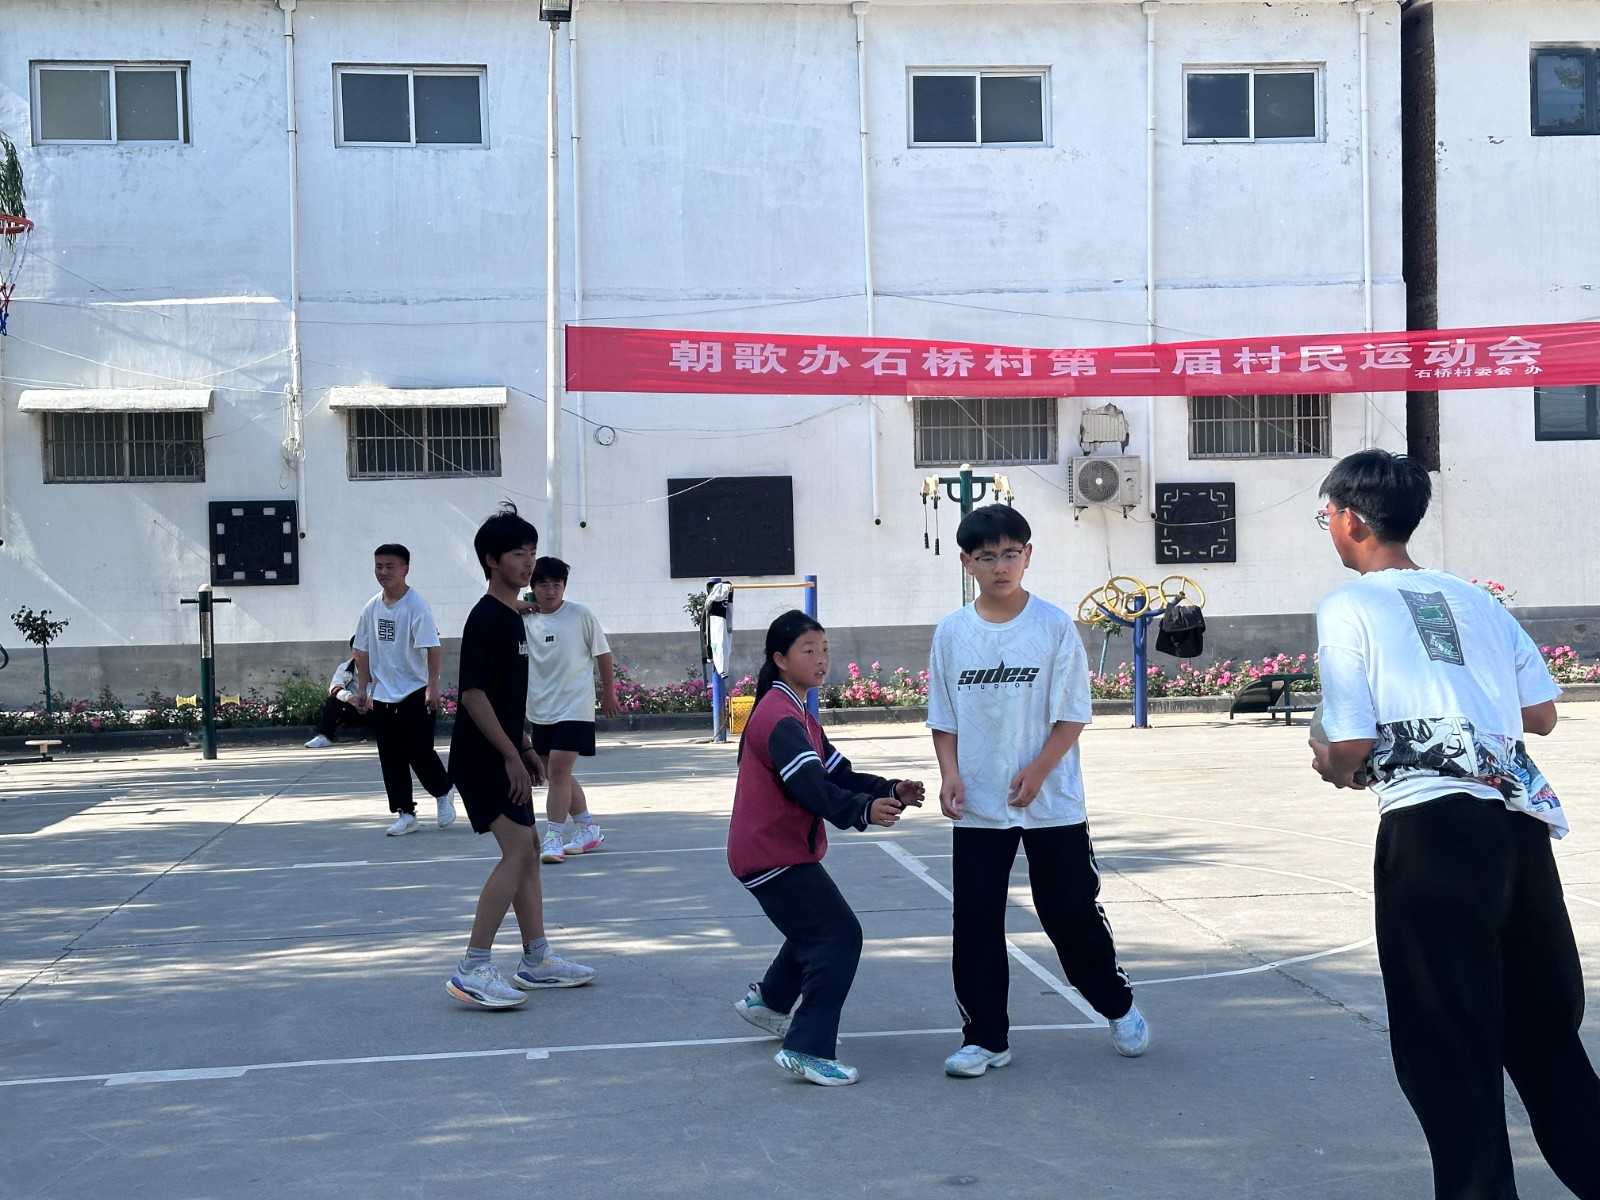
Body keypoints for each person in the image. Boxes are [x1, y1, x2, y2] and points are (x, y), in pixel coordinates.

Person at [1309, 449, 1600, 1200]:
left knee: (1450, 1058)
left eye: (1326, 516)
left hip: (1430, 836)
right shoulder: (1476, 598)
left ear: (1350, 518)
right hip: (1518, 835)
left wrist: (1332, 764)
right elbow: (1541, 715)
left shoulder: (1350, 606)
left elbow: (1347, 747)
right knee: (1547, 1048)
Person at [927, 503, 1147, 1079]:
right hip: (979, 803)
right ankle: (985, 1039)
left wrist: (1041, 769)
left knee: (1069, 912)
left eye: (1010, 553)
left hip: (1050, 801)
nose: (1000, 566)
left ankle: (1117, 1004)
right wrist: (950, 773)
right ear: (967, 563)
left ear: (1027, 555)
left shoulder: (1052, 626)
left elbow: (1072, 714)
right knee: (975, 920)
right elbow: (943, 717)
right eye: (986, 557)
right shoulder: (953, 632)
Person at [727, 609, 924, 1086]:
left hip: (771, 851)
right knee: (837, 936)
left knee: (814, 930)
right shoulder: (780, 718)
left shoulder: (797, 711)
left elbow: (836, 771)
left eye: (825, 648)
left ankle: (769, 1002)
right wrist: (862, 812)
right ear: (780, 658)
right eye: (808, 650)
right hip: (771, 854)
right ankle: (807, 1049)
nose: (821, 659)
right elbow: (812, 788)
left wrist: (889, 787)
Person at [444, 503, 596, 1009]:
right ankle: (473, 967)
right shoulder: (487, 617)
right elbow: (473, 696)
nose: (529, 562)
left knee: (529, 849)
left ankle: (537, 960)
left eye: (532, 552)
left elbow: (507, 699)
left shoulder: (513, 616)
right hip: (482, 756)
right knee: (517, 851)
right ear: (491, 560)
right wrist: (511, 755)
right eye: (517, 553)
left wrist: (526, 746)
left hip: (506, 750)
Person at [521, 557, 621, 863]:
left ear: (564, 586)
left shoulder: (580, 615)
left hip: (575, 706)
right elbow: (492, 606)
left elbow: (602, 655)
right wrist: (518, 605)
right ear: (532, 587)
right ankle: (587, 827)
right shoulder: (525, 619)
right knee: (554, 773)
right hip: (540, 708)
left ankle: (552, 839)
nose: (551, 591)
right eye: (543, 584)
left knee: (560, 771)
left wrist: (608, 693)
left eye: (557, 584)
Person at [352, 544, 455, 835]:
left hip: (415, 689)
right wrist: (363, 688)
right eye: (378, 566)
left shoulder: (416, 605)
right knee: (391, 755)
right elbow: (361, 650)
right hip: (384, 692)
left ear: (405, 569)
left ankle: (443, 790)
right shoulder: (371, 606)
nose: (383, 572)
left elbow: (433, 648)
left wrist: (433, 688)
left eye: (390, 566)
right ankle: (405, 812)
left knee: (419, 750)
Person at [304, 638, 366, 749]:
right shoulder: (344, 667)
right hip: (353, 709)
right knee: (333, 701)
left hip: (373, 709)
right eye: (355, 649)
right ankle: (324, 737)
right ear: (351, 650)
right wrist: (350, 698)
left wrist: (370, 700)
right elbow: (335, 687)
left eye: (361, 649)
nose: (358, 652)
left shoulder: (378, 667)